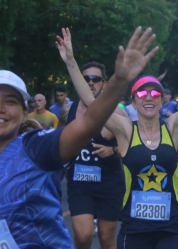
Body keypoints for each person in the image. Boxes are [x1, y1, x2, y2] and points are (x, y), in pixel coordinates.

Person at [0, 26, 158, 249]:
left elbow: (90, 122)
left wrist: (119, 80)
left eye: (10, 101)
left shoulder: (36, 147)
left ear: (23, 113)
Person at [68, 19, 178, 249]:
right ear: (133, 101)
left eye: (155, 93)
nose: (149, 97)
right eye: (142, 94)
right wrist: (71, 61)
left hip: (172, 227)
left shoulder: (173, 127)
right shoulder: (125, 130)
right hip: (134, 229)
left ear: (162, 99)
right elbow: (91, 102)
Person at [56, 30, 128, 249]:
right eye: (85, 79)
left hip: (109, 183)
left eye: (95, 79)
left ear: (104, 83)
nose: (90, 83)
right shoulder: (68, 111)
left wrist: (112, 151)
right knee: (83, 234)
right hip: (79, 183)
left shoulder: (118, 113)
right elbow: (58, 141)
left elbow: (130, 147)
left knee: (106, 238)